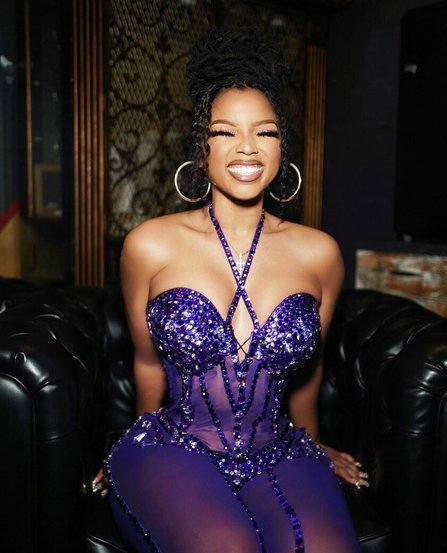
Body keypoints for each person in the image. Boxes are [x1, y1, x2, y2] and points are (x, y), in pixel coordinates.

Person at [95, 28, 367, 553]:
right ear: (202, 148)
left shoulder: (321, 254)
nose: (247, 147)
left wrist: (315, 447)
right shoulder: (148, 245)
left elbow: (309, 371)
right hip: (173, 447)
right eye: (225, 131)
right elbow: (147, 363)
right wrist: (137, 457)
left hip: (278, 451)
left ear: (282, 147)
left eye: (265, 132)